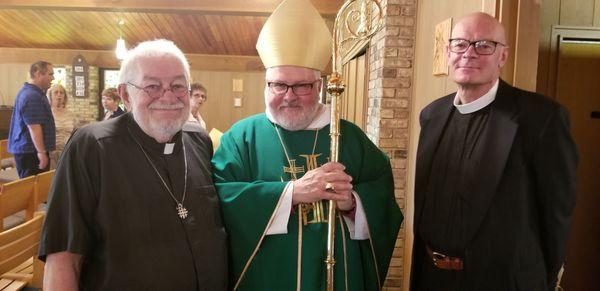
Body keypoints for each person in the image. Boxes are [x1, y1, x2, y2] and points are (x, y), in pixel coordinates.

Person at [211, 0, 402, 290]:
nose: (289, 96)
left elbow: (383, 196)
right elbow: (221, 198)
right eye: (278, 85)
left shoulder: (348, 137)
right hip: (269, 276)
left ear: (320, 86)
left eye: (302, 86)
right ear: (266, 85)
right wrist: (291, 193)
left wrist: (353, 204)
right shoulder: (242, 138)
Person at [39, 39, 228, 290]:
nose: (168, 96)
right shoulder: (92, 147)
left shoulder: (199, 141)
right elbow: (63, 258)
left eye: (178, 85)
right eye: (152, 86)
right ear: (125, 95)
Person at [411, 12, 578, 291]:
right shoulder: (432, 115)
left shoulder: (541, 118)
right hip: (432, 277)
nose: (469, 54)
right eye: (460, 44)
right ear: (447, 52)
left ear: (502, 56)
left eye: (484, 45)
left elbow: (556, 215)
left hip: (502, 282)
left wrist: (539, 280)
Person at [8, 60, 56, 178]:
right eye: (50, 74)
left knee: (37, 189)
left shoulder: (35, 93)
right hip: (31, 151)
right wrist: (41, 152)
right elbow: (34, 126)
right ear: (38, 74)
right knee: (31, 189)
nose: (53, 78)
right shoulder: (31, 95)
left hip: (31, 150)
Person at [47, 84, 82, 168]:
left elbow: (77, 134)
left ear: (64, 96)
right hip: (51, 154)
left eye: (61, 93)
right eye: (56, 93)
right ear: (50, 96)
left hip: (67, 152)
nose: (59, 95)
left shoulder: (71, 115)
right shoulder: (47, 114)